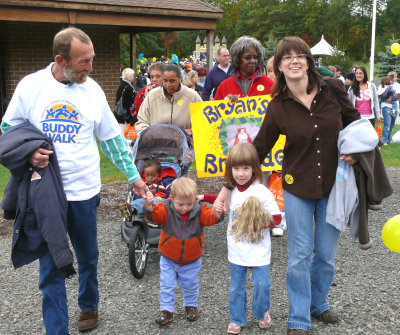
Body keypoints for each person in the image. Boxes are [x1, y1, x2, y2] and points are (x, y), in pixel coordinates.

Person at [1, 27, 148, 334]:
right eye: (84, 61)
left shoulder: (92, 90)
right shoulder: (31, 87)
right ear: (60, 59)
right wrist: (28, 154)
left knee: (88, 256)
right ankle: (57, 330)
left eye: (92, 59)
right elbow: (7, 128)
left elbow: (111, 140)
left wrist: (133, 177)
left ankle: (89, 305)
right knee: (50, 266)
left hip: (83, 193)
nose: (90, 67)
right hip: (44, 193)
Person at [213, 36, 360, 335]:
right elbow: (258, 148)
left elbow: (355, 121)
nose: (294, 60)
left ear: (308, 61)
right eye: (287, 57)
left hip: (335, 185)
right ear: (279, 66)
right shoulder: (278, 105)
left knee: (326, 255)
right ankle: (298, 318)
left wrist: (356, 150)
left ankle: (318, 303)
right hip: (296, 187)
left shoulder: (333, 89)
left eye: (300, 55)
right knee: (299, 256)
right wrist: (229, 183)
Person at [142, 177, 223, 325]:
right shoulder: (165, 208)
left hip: (191, 259)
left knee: (190, 284)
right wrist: (149, 206)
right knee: (166, 285)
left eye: (189, 204)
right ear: (172, 199)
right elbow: (155, 215)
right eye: (180, 204)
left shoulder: (200, 210)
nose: (185, 208)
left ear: (195, 199)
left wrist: (217, 213)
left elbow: (211, 218)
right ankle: (166, 309)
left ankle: (191, 305)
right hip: (168, 258)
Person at [222, 143, 281, 334]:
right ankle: (237, 318)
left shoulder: (261, 191)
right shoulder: (231, 191)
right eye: (236, 168)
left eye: (246, 168)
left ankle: (261, 311)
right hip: (237, 250)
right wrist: (203, 197)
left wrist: (257, 224)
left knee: (262, 285)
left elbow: (277, 217)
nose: (240, 173)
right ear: (230, 170)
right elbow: (219, 201)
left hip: (259, 250)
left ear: (254, 168)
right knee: (236, 288)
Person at [135, 63, 202, 135]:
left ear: (180, 78)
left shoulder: (192, 96)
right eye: (165, 81)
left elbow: (203, 121)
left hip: (184, 144)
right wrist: (149, 135)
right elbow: (141, 121)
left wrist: (192, 131)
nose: (168, 84)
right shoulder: (152, 96)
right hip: (156, 144)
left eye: (172, 81)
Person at [213, 36, 274, 101]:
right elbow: (214, 110)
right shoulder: (224, 86)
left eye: (256, 57)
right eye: (247, 58)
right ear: (237, 59)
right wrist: (226, 103)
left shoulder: (270, 85)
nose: (253, 61)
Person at [378, 75, 399, 145]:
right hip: (386, 107)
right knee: (387, 123)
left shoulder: (396, 85)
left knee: (392, 124)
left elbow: (398, 95)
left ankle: (389, 139)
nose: (394, 79)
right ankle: (384, 140)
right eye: (392, 78)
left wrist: (392, 98)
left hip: (394, 107)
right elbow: (381, 97)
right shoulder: (383, 87)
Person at [114, 68, 136, 132]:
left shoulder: (121, 85)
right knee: (124, 135)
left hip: (119, 114)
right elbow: (128, 104)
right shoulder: (128, 88)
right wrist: (132, 118)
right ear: (130, 77)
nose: (133, 78)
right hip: (124, 116)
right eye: (133, 76)